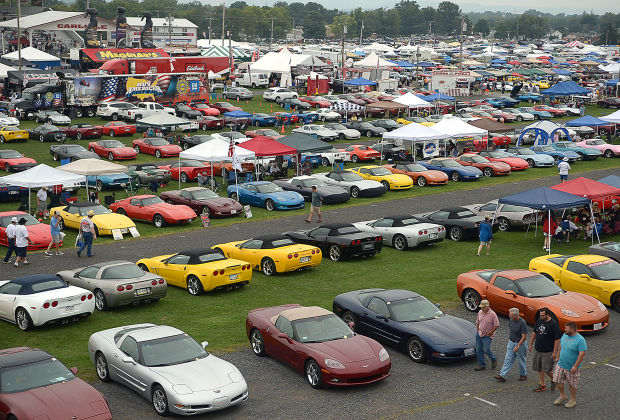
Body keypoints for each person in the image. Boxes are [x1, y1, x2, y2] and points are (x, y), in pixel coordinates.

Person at [553, 322, 586, 408]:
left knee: (572, 385)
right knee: (556, 380)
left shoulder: (580, 340)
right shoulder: (565, 335)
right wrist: (557, 356)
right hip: (561, 364)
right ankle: (562, 395)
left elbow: (582, 354)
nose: (565, 330)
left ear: (572, 329)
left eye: (567, 328)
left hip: (571, 367)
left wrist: (575, 366)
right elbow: (561, 346)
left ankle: (572, 400)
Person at [528, 307, 562, 393]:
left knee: (547, 369)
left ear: (548, 315)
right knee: (539, 368)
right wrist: (531, 343)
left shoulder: (553, 324)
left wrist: (555, 352)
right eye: (540, 315)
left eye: (543, 315)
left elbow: (557, 339)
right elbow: (534, 332)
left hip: (548, 351)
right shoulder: (540, 320)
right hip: (538, 349)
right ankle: (542, 384)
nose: (541, 317)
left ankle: (554, 379)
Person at [494, 308, 528, 382]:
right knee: (508, 358)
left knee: (521, 359)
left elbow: (524, 337)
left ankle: (523, 374)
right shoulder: (511, 320)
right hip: (511, 342)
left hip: (520, 344)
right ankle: (502, 375)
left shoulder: (522, 323)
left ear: (515, 316)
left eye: (510, 315)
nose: (509, 316)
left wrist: (518, 346)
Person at [474, 300, 499, 371]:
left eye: (484, 307)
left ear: (488, 307)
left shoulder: (493, 314)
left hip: (487, 335)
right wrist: (477, 330)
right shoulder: (480, 312)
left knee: (485, 349)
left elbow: (496, 325)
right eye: (481, 307)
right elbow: (477, 322)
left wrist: (490, 332)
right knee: (478, 349)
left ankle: (494, 359)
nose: (482, 309)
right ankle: (481, 364)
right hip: (479, 334)